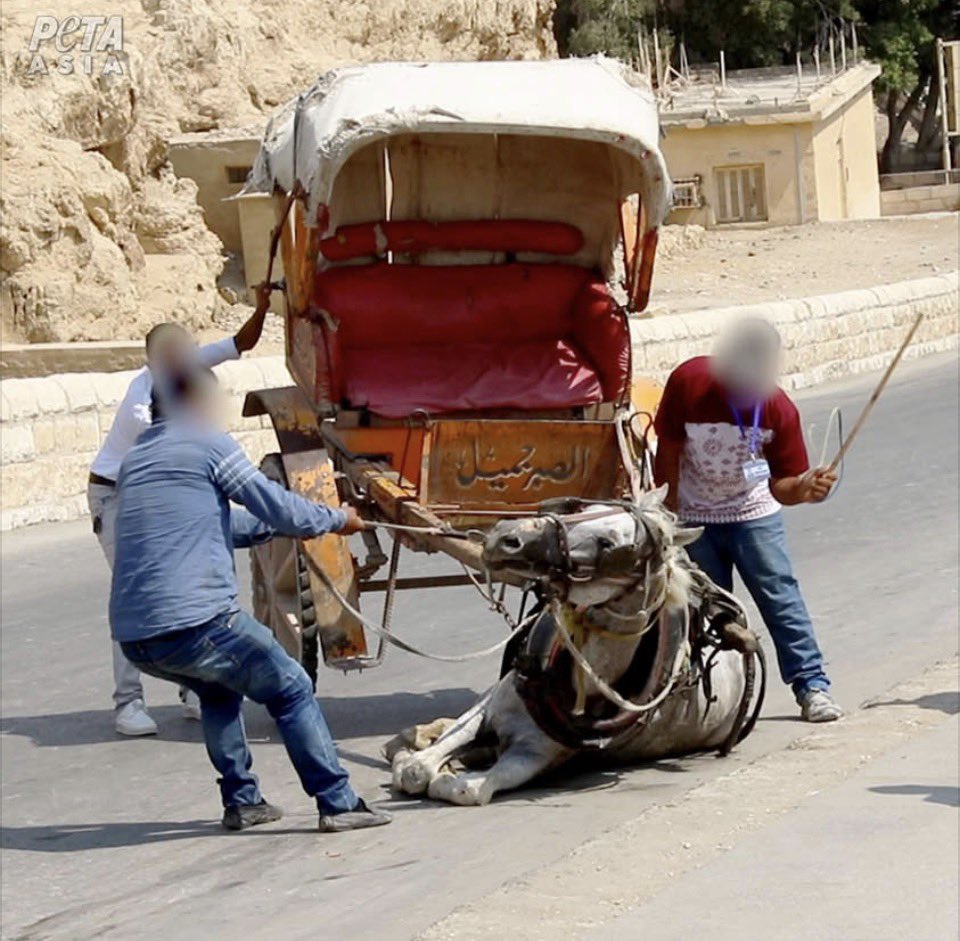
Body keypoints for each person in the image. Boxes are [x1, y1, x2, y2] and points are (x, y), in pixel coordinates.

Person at [110, 365, 392, 832]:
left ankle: (243, 802)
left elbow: (219, 527)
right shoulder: (208, 444)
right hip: (197, 623)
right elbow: (278, 505)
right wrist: (335, 518)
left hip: (137, 637)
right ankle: (338, 802)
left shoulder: (136, 460)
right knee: (292, 687)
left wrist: (290, 524)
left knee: (218, 691)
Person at [88, 285, 272, 736]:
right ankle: (127, 703)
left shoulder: (183, 372)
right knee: (136, 590)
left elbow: (241, 343)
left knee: (189, 582)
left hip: (161, 492)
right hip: (117, 496)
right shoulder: (141, 403)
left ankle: (192, 687)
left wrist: (264, 306)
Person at [654, 318, 843, 723]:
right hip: (694, 516)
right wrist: (668, 512)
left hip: (752, 515)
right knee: (704, 612)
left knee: (781, 600)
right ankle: (713, 702)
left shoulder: (777, 408)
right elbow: (667, 446)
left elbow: (782, 487)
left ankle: (812, 687)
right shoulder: (688, 381)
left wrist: (808, 489)